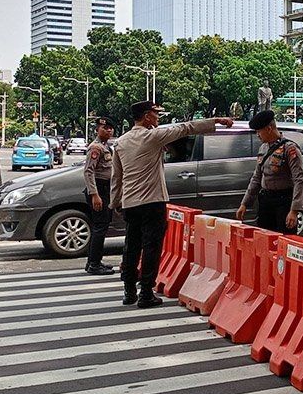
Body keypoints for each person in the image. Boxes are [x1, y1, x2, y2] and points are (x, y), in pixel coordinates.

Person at [110, 101, 233, 307]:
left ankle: (129, 290)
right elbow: (186, 127)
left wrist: (115, 202)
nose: (158, 118)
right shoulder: (152, 136)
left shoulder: (121, 142)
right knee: (151, 247)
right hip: (152, 202)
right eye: (155, 115)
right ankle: (146, 293)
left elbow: (117, 177)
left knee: (131, 247)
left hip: (130, 202)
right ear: (147, 117)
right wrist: (216, 121)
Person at [237, 110, 303, 234]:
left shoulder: (290, 149)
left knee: (284, 240)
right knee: (264, 238)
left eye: (259, 131)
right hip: (266, 201)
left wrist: (294, 210)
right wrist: (245, 203)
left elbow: (299, 180)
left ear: (269, 128)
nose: (257, 135)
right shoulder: (263, 148)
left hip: (284, 202)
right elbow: (256, 178)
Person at [82, 116, 117, 275]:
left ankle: (92, 261)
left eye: (110, 128)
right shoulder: (96, 148)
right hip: (99, 189)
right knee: (100, 227)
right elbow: (88, 172)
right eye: (105, 128)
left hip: (105, 188)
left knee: (101, 226)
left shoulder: (105, 146)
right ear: (98, 130)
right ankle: (94, 264)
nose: (108, 130)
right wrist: (95, 194)